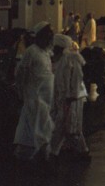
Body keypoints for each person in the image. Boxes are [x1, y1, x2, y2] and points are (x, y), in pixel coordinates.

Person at [14, 21, 55, 162]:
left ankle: (27, 155)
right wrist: (21, 91)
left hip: (45, 98)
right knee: (39, 126)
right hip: (34, 97)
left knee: (34, 128)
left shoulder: (46, 53)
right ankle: (43, 156)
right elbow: (21, 73)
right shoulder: (32, 51)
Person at [51, 34, 90, 161]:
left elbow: (76, 78)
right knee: (68, 126)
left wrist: (72, 96)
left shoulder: (71, 59)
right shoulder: (58, 59)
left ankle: (54, 153)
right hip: (64, 98)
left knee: (70, 126)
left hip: (73, 98)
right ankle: (81, 151)